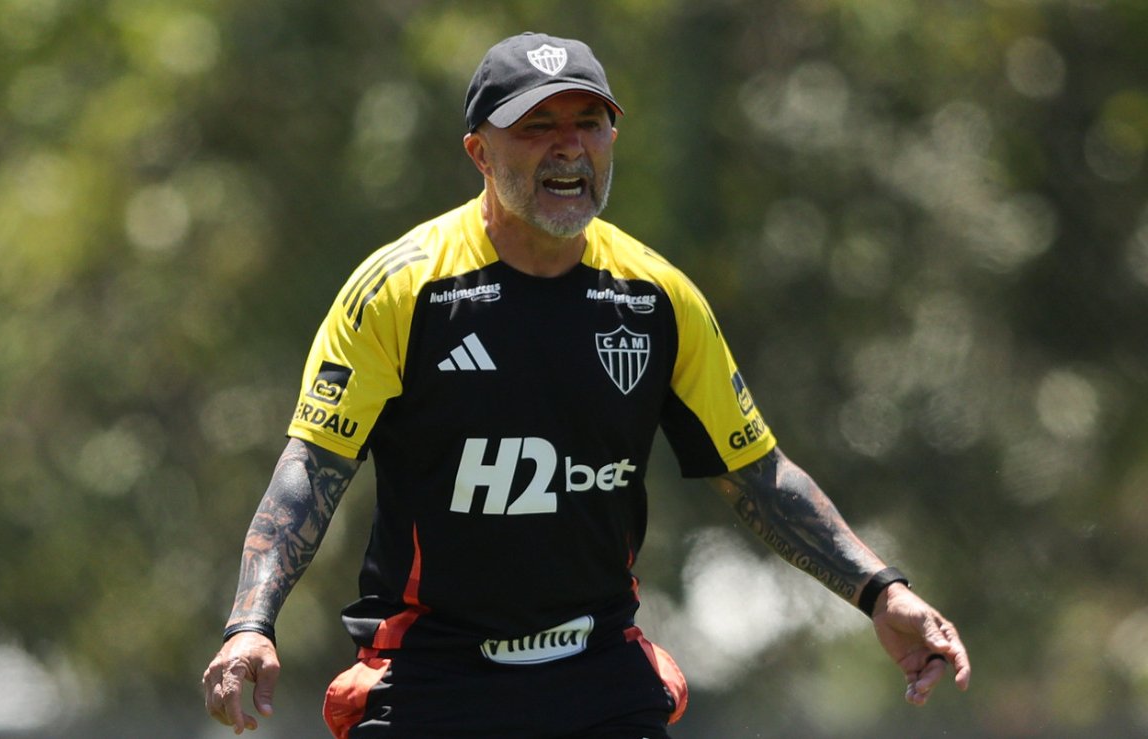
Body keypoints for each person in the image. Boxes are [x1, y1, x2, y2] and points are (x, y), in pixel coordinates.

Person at [202, 31, 971, 738]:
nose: (568, 146)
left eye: (589, 122)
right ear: (479, 152)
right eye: (537, 126)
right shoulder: (401, 292)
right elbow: (313, 467)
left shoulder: (658, 297)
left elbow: (755, 473)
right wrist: (250, 623)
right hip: (433, 673)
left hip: (599, 673)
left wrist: (882, 591)